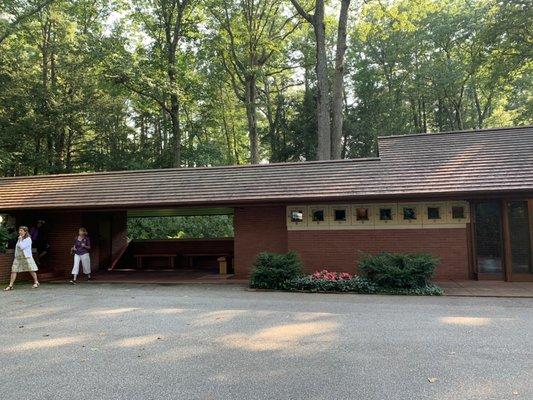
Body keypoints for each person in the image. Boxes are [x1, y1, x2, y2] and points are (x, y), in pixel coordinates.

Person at [4, 226, 40, 291]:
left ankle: (36, 282)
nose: (20, 232)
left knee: (31, 269)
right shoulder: (20, 238)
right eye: (19, 230)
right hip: (18, 257)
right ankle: (10, 285)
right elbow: (17, 248)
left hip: (26, 257)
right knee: (14, 270)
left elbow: (22, 247)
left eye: (21, 231)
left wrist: (20, 240)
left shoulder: (28, 239)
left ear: (25, 232)